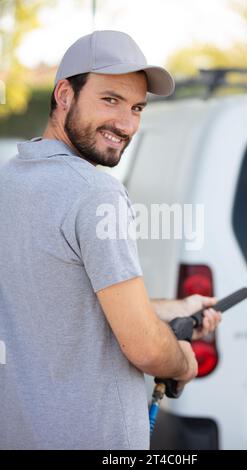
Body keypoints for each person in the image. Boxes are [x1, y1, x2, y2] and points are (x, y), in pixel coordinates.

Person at [0, 30, 221, 450]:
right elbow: (144, 347)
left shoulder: (9, 180)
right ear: (64, 94)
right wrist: (182, 362)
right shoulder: (95, 192)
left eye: (136, 107)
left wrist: (181, 308)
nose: (126, 124)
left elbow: (68, 303)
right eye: (110, 100)